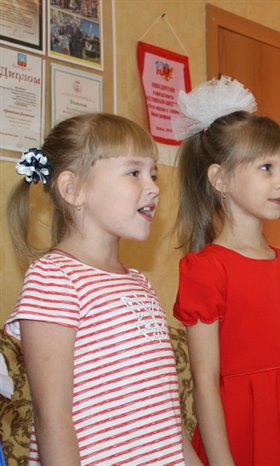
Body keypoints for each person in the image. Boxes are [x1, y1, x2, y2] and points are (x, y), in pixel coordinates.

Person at [3, 113, 199, 465]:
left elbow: (167, 416)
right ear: (73, 189)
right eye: (134, 172)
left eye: (153, 174)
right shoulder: (54, 279)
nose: (154, 187)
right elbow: (53, 416)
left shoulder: (139, 282)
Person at [172, 76, 280, 466]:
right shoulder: (205, 269)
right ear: (220, 179)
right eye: (266, 167)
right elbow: (205, 384)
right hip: (240, 436)